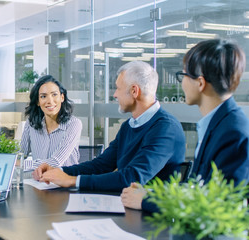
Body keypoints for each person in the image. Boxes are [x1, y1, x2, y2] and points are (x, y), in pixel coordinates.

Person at [121, 39, 249, 211]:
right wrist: (150, 193)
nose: (181, 83)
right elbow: (199, 188)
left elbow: (219, 206)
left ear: (200, 83)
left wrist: (148, 200)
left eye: (183, 76)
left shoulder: (232, 132)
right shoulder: (218, 123)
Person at [33, 61, 186, 192]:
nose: (115, 95)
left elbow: (131, 178)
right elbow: (101, 165)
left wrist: (73, 180)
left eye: (118, 88)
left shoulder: (165, 129)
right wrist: (59, 171)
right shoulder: (130, 125)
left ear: (134, 91)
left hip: (152, 219)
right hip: (126, 206)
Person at [20, 75, 82, 168]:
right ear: (38, 101)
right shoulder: (31, 123)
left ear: (62, 97)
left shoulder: (73, 124)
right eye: (43, 96)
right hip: (38, 181)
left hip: (65, 181)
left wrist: (20, 164)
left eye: (54, 95)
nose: (50, 101)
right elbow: (20, 154)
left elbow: (55, 163)